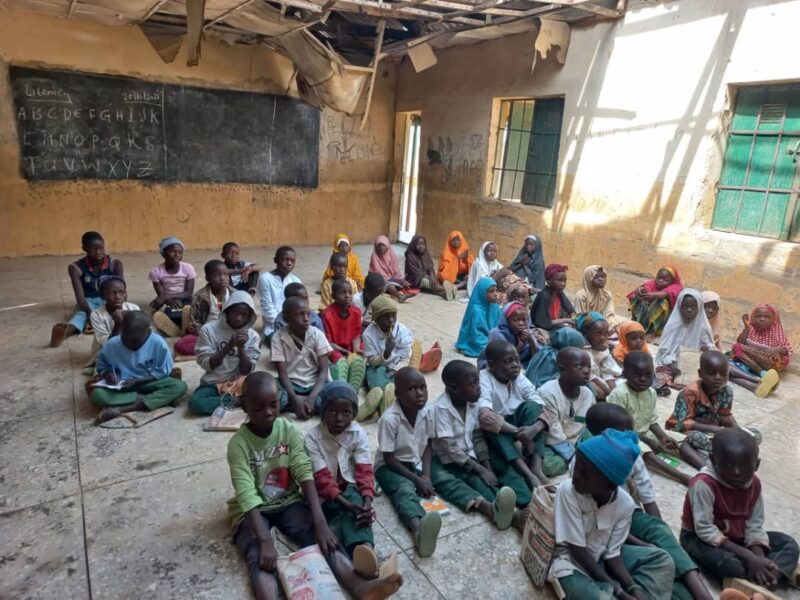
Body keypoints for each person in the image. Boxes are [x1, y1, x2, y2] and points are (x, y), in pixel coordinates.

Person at [226, 372, 403, 600]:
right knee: (261, 556)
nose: (268, 412)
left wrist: (320, 523)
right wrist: (264, 540)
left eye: (273, 405)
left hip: (286, 500)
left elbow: (303, 471)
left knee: (325, 540)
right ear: (245, 407)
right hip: (252, 509)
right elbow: (246, 493)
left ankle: (359, 587)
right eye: (259, 408)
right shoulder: (238, 444)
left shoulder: (287, 430)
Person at [582, 403, 714, 600]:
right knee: (655, 564)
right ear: (602, 436)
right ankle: (698, 591)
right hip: (602, 528)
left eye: (631, 431)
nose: (631, 437)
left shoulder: (632, 455)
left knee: (660, 536)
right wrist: (645, 543)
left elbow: (648, 498)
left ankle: (696, 586)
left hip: (630, 516)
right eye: (624, 432)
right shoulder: (585, 464)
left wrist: (659, 531)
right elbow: (599, 525)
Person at [548, 428, 675, 600]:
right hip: (569, 562)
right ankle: (609, 590)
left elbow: (612, 554)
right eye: (576, 467)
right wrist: (619, 591)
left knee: (662, 560)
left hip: (600, 558)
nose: (576, 475)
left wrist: (633, 588)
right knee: (593, 595)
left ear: (609, 484)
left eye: (584, 473)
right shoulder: (568, 491)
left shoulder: (625, 504)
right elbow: (577, 550)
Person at [680, 428, 800, 595]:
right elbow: (704, 530)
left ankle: (764, 575)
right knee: (729, 564)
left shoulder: (754, 484)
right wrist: (749, 557)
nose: (737, 472)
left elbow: (754, 524)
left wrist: (759, 557)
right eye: (728, 465)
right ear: (714, 460)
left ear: (756, 465)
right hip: (699, 539)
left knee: (788, 543)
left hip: (738, 537)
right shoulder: (703, 484)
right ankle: (771, 576)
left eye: (745, 466)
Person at [429, 360, 526, 531]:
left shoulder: (472, 402)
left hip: (472, 454)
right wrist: (480, 470)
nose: (479, 388)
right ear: (453, 388)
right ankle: (506, 513)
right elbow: (450, 448)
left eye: (478, 382)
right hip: (453, 460)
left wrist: (486, 465)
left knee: (501, 467)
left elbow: (477, 436)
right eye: (473, 384)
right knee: (478, 481)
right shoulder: (440, 409)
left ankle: (528, 500)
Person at [608, 351, 704, 485]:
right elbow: (620, 428)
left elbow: (651, 420)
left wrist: (663, 436)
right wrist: (649, 441)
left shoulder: (651, 392)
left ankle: (705, 468)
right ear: (625, 374)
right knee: (646, 452)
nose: (643, 379)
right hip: (624, 437)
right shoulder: (619, 394)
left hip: (645, 432)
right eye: (637, 375)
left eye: (648, 375)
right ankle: (682, 477)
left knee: (680, 440)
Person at [304, 382, 377, 560]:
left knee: (357, 503)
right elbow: (322, 479)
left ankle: (366, 549)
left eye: (346, 412)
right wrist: (348, 505)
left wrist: (367, 503)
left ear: (353, 414)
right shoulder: (312, 439)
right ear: (322, 413)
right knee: (336, 511)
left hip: (349, 486)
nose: (339, 419)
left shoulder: (358, 433)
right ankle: (355, 551)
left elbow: (364, 470)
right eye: (332, 411)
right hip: (325, 492)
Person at [374, 367, 441, 558]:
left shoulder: (427, 413)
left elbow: (428, 445)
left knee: (441, 476)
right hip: (389, 467)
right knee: (404, 489)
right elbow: (389, 458)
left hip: (415, 461)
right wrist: (417, 479)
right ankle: (419, 530)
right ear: (397, 395)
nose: (420, 394)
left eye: (423, 387)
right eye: (412, 389)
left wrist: (426, 475)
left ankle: (478, 503)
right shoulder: (389, 420)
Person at [665, 351, 761, 469]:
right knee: (696, 438)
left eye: (723, 374)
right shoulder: (690, 392)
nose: (718, 378)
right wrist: (718, 430)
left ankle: (725, 448)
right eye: (712, 373)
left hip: (714, 431)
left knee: (754, 435)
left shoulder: (726, 391)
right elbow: (684, 423)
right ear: (700, 373)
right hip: (684, 430)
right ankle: (727, 450)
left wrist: (738, 434)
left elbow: (726, 416)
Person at [477, 340, 554, 484]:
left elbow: (543, 406)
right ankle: (528, 474)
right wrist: (518, 433)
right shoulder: (484, 379)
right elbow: (485, 416)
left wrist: (534, 429)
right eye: (508, 361)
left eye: (517, 360)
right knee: (493, 427)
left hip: (519, 425)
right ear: (492, 365)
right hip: (500, 430)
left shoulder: (518, 376)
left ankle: (537, 468)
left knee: (533, 407)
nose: (515, 365)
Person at [91, 311, 188, 424]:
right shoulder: (112, 344)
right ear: (121, 331)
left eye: (135, 340)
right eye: (125, 338)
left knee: (180, 386)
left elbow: (163, 370)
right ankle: (152, 399)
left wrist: (138, 381)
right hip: (122, 386)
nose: (129, 343)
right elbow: (102, 365)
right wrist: (107, 373)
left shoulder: (157, 343)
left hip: (148, 382)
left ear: (148, 332)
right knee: (97, 395)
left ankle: (121, 409)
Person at [189, 291, 261, 415]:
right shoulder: (208, 330)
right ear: (226, 311)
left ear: (250, 317)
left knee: (268, 389)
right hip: (214, 382)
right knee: (196, 403)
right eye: (235, 313)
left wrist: (241, 348)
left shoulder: (252, 336)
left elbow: (247, 371)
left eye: (244, 315)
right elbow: (207, 364)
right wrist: (229, 346)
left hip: (240, 382)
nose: (239, 318)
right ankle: (238, 401)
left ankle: (238, 400)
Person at [50, 231, 124, 347]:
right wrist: (90, 314)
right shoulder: (76, 268)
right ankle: (66, 331)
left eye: (101, 248)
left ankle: (112, 325)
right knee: (81, 314)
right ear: (84, 248)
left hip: (110, 299)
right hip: (88, 301)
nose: (98, 252)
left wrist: (118, 305)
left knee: (119, 313)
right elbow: (80, 298)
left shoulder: (115, 264)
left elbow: (123, 291)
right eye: (93, 249)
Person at [538, 347, 596, 476]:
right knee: (547, 466)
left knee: (599, 440)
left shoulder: (587, 394)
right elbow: (552, 430)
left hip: (578, 438)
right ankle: (578, 459)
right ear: (562, 369)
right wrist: (573, 457)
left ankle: (581, 457)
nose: (586, 371)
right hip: (553, 443)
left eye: (589, 367)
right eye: (580, 367)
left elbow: (588, 422)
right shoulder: (547, 392)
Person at [271, 296, 332, 420]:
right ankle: (302, 405)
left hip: (315, 385)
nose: (306, 319)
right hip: (291, 386)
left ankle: (302, 404)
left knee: (334, 397)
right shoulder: (278, 337)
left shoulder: (316, 334)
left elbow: (324, 371)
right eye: (300, 315)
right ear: (286, 318)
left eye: (308, 314)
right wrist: (294, 399)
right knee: (272, 397)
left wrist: (312, 397)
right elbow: (282, 374)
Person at [360, 295, 413, 421]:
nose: (391, 320)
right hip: (378, 366)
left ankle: (384, 403)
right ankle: (378, 400)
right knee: (376, 374)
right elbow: (372, 361)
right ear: (376, 319)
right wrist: (387, 352)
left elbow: (405, 357)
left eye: (393, 315)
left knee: (406, 378)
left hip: (397, 366)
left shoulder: (402, 331)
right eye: (386, 317)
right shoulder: (369, 333)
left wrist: (396, 369)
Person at [655, 289, 715, 389]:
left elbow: (711, 350)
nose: (689, 310)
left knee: (712, 377)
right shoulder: (672, 326)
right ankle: (676, 382)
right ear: (679, 307)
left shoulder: (704, 327)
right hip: (674, 365)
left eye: (693, 307)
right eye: (685, 307)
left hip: (696, 366)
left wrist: (706, 350)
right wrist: (671, 363)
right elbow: (663, 352)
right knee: (661, 373)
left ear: (699, 308)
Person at [729, 304, 791, 398]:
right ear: (754, 317)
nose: (762, 319)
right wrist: (747, 328)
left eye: (767, 316)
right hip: (752, 358)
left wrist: (777, 349)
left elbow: (787, 349)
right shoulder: (751, 328)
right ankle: (762, 373)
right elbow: (740, 342)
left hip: (770, 360)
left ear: (773, 319)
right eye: (759, 316)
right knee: (736, 347)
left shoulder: (776, 330)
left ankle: (762, 374)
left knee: (784, 359)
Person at [175, 259, 233, 356]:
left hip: (230, 331)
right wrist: (208, 335)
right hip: (207, 332)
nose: (223, 278)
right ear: (207, 278)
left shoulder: (235, 294)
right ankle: (222, 348)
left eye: (225, 274)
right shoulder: (200, 296)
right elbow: (194, 325)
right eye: (217, 275)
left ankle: (214, 349)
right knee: (181, 345)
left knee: (250, 338)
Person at [321, 278, 367, 391]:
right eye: (342, 293)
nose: (347, 296)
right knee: (338, 360)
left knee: (361, 351)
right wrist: (346, 353)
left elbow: (356, 335)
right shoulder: (327, 315)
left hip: (350, 347)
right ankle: (341, 384)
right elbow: (328, 343)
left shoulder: (356, 312)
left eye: (350, 292)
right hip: (335, 348)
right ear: (333, 296)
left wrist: (355, 350)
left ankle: (353, 387)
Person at [149, 236, 196, 338]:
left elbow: (189, 292)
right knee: (157, 307)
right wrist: (166, 300)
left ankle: (181, 327)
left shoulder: (188, 268)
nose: (177, 255)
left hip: (185, 297)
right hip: (167, 300)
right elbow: (160, 294)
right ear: (163, 253)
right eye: (173, 251)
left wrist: (166, 297)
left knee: (193, 307)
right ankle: (181, 329)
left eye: (180, 252)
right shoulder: (156, 271)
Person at [478, 301, 540, 369]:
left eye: (524, 320)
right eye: (515, 320)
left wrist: (531, 341)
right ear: (506, 320)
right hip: (501, 366)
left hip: (523, 363)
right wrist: (520, 345)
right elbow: (501, 361)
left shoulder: (528, 332)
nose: (521, 323)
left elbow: (536, 358)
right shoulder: (497, 334)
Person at [576, 312, 621, 400]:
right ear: (586, 333)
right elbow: (590, 374)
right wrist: (607, 390)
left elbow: (607, 369)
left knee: (619, 388)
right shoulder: (583, 351)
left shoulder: (603, 347)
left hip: (600, 375)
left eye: (606, 334)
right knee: (600, 393)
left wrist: (612, 388)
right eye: (597, 334)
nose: (603, 338)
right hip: (588, 378)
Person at [626, 266, 683, 337]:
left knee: (662, 302)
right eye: (658, 278)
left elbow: (665, 293)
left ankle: (653, 331)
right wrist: (640, 290)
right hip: (647, 313)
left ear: (672, 281)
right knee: (636, 296)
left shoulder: (677, 286)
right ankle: (636, 323)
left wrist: (654, 295)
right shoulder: (654, 283)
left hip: (664, 320)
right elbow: (646, 286)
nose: (660, 281)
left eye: (665, 280)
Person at [257, 246, 300, 338]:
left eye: (292, 261)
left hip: (294, 325)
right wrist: (286, 324)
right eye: (285, 259)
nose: (289, 263)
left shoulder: (295, 280)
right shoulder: (266, 278)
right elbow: (267, 308)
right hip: (273, 327)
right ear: (275, 260)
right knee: (283, 342)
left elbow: (299, 306)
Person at [455, 277, 501, 358]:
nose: (495, 294)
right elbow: (476, 335)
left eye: (496, 291)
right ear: (482, 292)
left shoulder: (495, 307)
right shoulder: (476, 310)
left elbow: (500, 326)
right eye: (491, 291)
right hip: (477, 340)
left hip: (491, 338)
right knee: (489, 350)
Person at [89, 276, 139, 349]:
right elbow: (107, 344)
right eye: (111, 293)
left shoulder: (134, 308)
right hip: (106, 350)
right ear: (102, 296)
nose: (118, 297)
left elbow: (139, 335)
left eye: (122, 292)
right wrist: (118, 325)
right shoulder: (96, 314)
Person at [404, 234, 453, 300]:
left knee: (433, 280)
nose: (421, 246)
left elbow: (430, 267)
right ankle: (446, 290)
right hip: (415, 280)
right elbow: (414, 273)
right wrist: (427, 276)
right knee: (428, 281)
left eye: (423, 244)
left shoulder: (425, 253)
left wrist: (432, 275)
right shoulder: (410, 256)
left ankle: (444, 293)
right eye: (418, 244)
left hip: (426, 277)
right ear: (414, 244)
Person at [531, 264, 576, 331]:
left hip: (554, 327)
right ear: (549, 281)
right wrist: (566, 320)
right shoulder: (543, 296)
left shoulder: (559, 293)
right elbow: (543, 323)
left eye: (564, 280)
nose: (563, 284)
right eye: (559, 280)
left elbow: (571, 311)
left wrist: (574, 318)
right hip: (542, 330)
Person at [573, 266, 621, 330]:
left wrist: (614, 326)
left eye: (603, 276)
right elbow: (581, 319)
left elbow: (609, 315)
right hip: (586, 329)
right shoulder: (581, 296)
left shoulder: (606, 295)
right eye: (596, 277)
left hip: (602, 327)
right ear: (589, 279)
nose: (601, 279)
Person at [369, 236, 412, 302]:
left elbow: (396, 271)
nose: (381, 248)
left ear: (387, 246)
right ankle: (400, 296)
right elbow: (380, 275)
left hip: (391, 280)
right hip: (379, 280)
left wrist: (399, 280)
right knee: (387, 285)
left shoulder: (392, 255)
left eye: (383, 245)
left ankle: (398, 291)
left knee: (402, 284)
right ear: (376, 246)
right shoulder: (375, 256)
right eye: (379, 245)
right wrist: (399, 281)